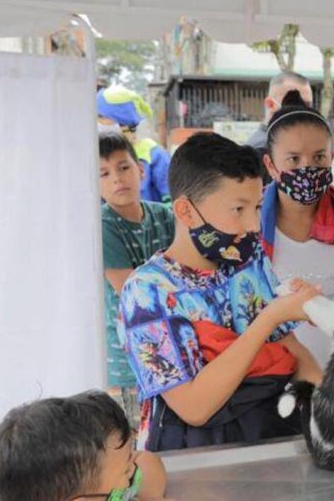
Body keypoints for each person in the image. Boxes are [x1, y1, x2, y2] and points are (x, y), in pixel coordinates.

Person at [119, 132, 322, 451]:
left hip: (269, 445)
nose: (254, 225)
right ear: (185, 211)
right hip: (193, 464)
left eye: (257, 206)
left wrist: (325, 409)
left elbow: (293, 350)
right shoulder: (147, 292)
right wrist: (268, 319)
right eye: (238, 209)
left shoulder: (248, 261)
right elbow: (194, 408)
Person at [260, 91, 334, 369]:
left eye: (319, 157)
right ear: (271, 165)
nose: (307, 168)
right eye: (293, 159)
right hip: (273, 389)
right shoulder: (247, 231)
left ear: (332, 158)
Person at [98, 132, 176, 428]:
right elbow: (132, 292)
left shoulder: (165, 216)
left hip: (170, 356)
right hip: (127, 366)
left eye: (123, 167)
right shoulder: (102, 225)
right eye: (104, 173)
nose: (117, 179)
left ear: (141, 170)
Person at [0, 391, 169, 501]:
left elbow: (146, 460)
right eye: (125, 471)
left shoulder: (106, 488)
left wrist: (151, 497)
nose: (132, 471)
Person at [97, 85, 172, 203]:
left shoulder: (153, 154)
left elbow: (173, 201)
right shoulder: (96, 154)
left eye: (101, 116)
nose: (97, 122)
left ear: (123, 122)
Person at [245, 71, 314, 157]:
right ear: (270, 104)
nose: (304, 111)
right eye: (295, 104)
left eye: (308, 105)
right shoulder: (262, 148)